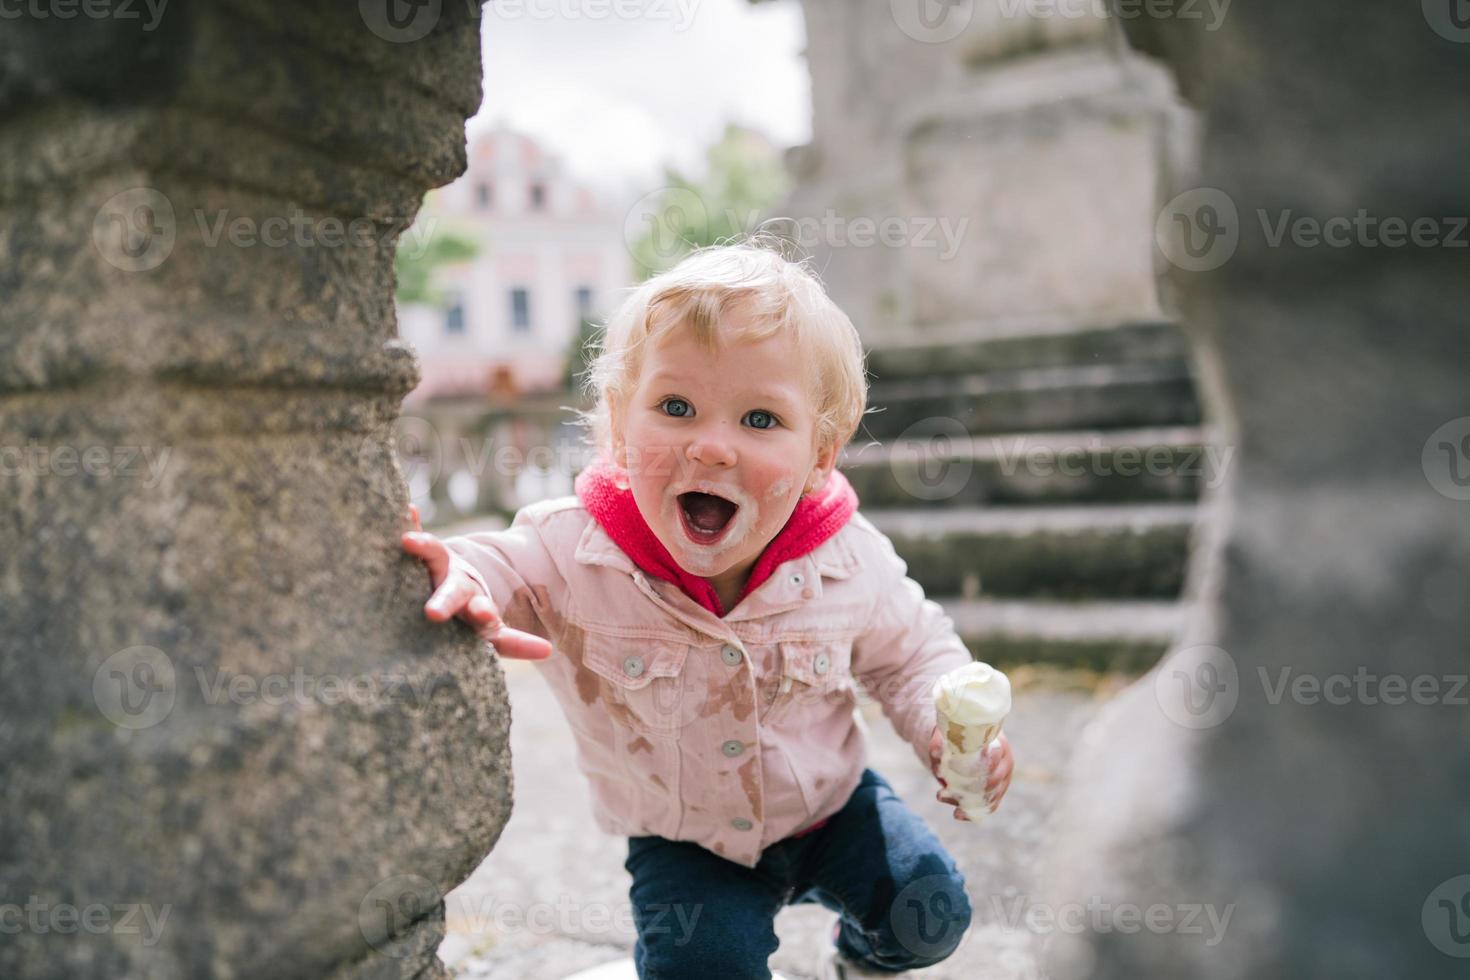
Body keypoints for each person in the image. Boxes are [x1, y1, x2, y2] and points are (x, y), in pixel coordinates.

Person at [400, 241, 1014, 979]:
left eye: (760, 419)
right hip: (686, 843)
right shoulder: (574, 548)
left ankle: (859, 962)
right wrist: (459, 573)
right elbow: (499, 562)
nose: (713, 447)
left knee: (930, 913)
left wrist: (948, 731)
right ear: (620, 426)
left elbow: (914, 655)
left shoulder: (846, 555)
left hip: (833, 808)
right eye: (677, 408)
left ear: (820, 454)